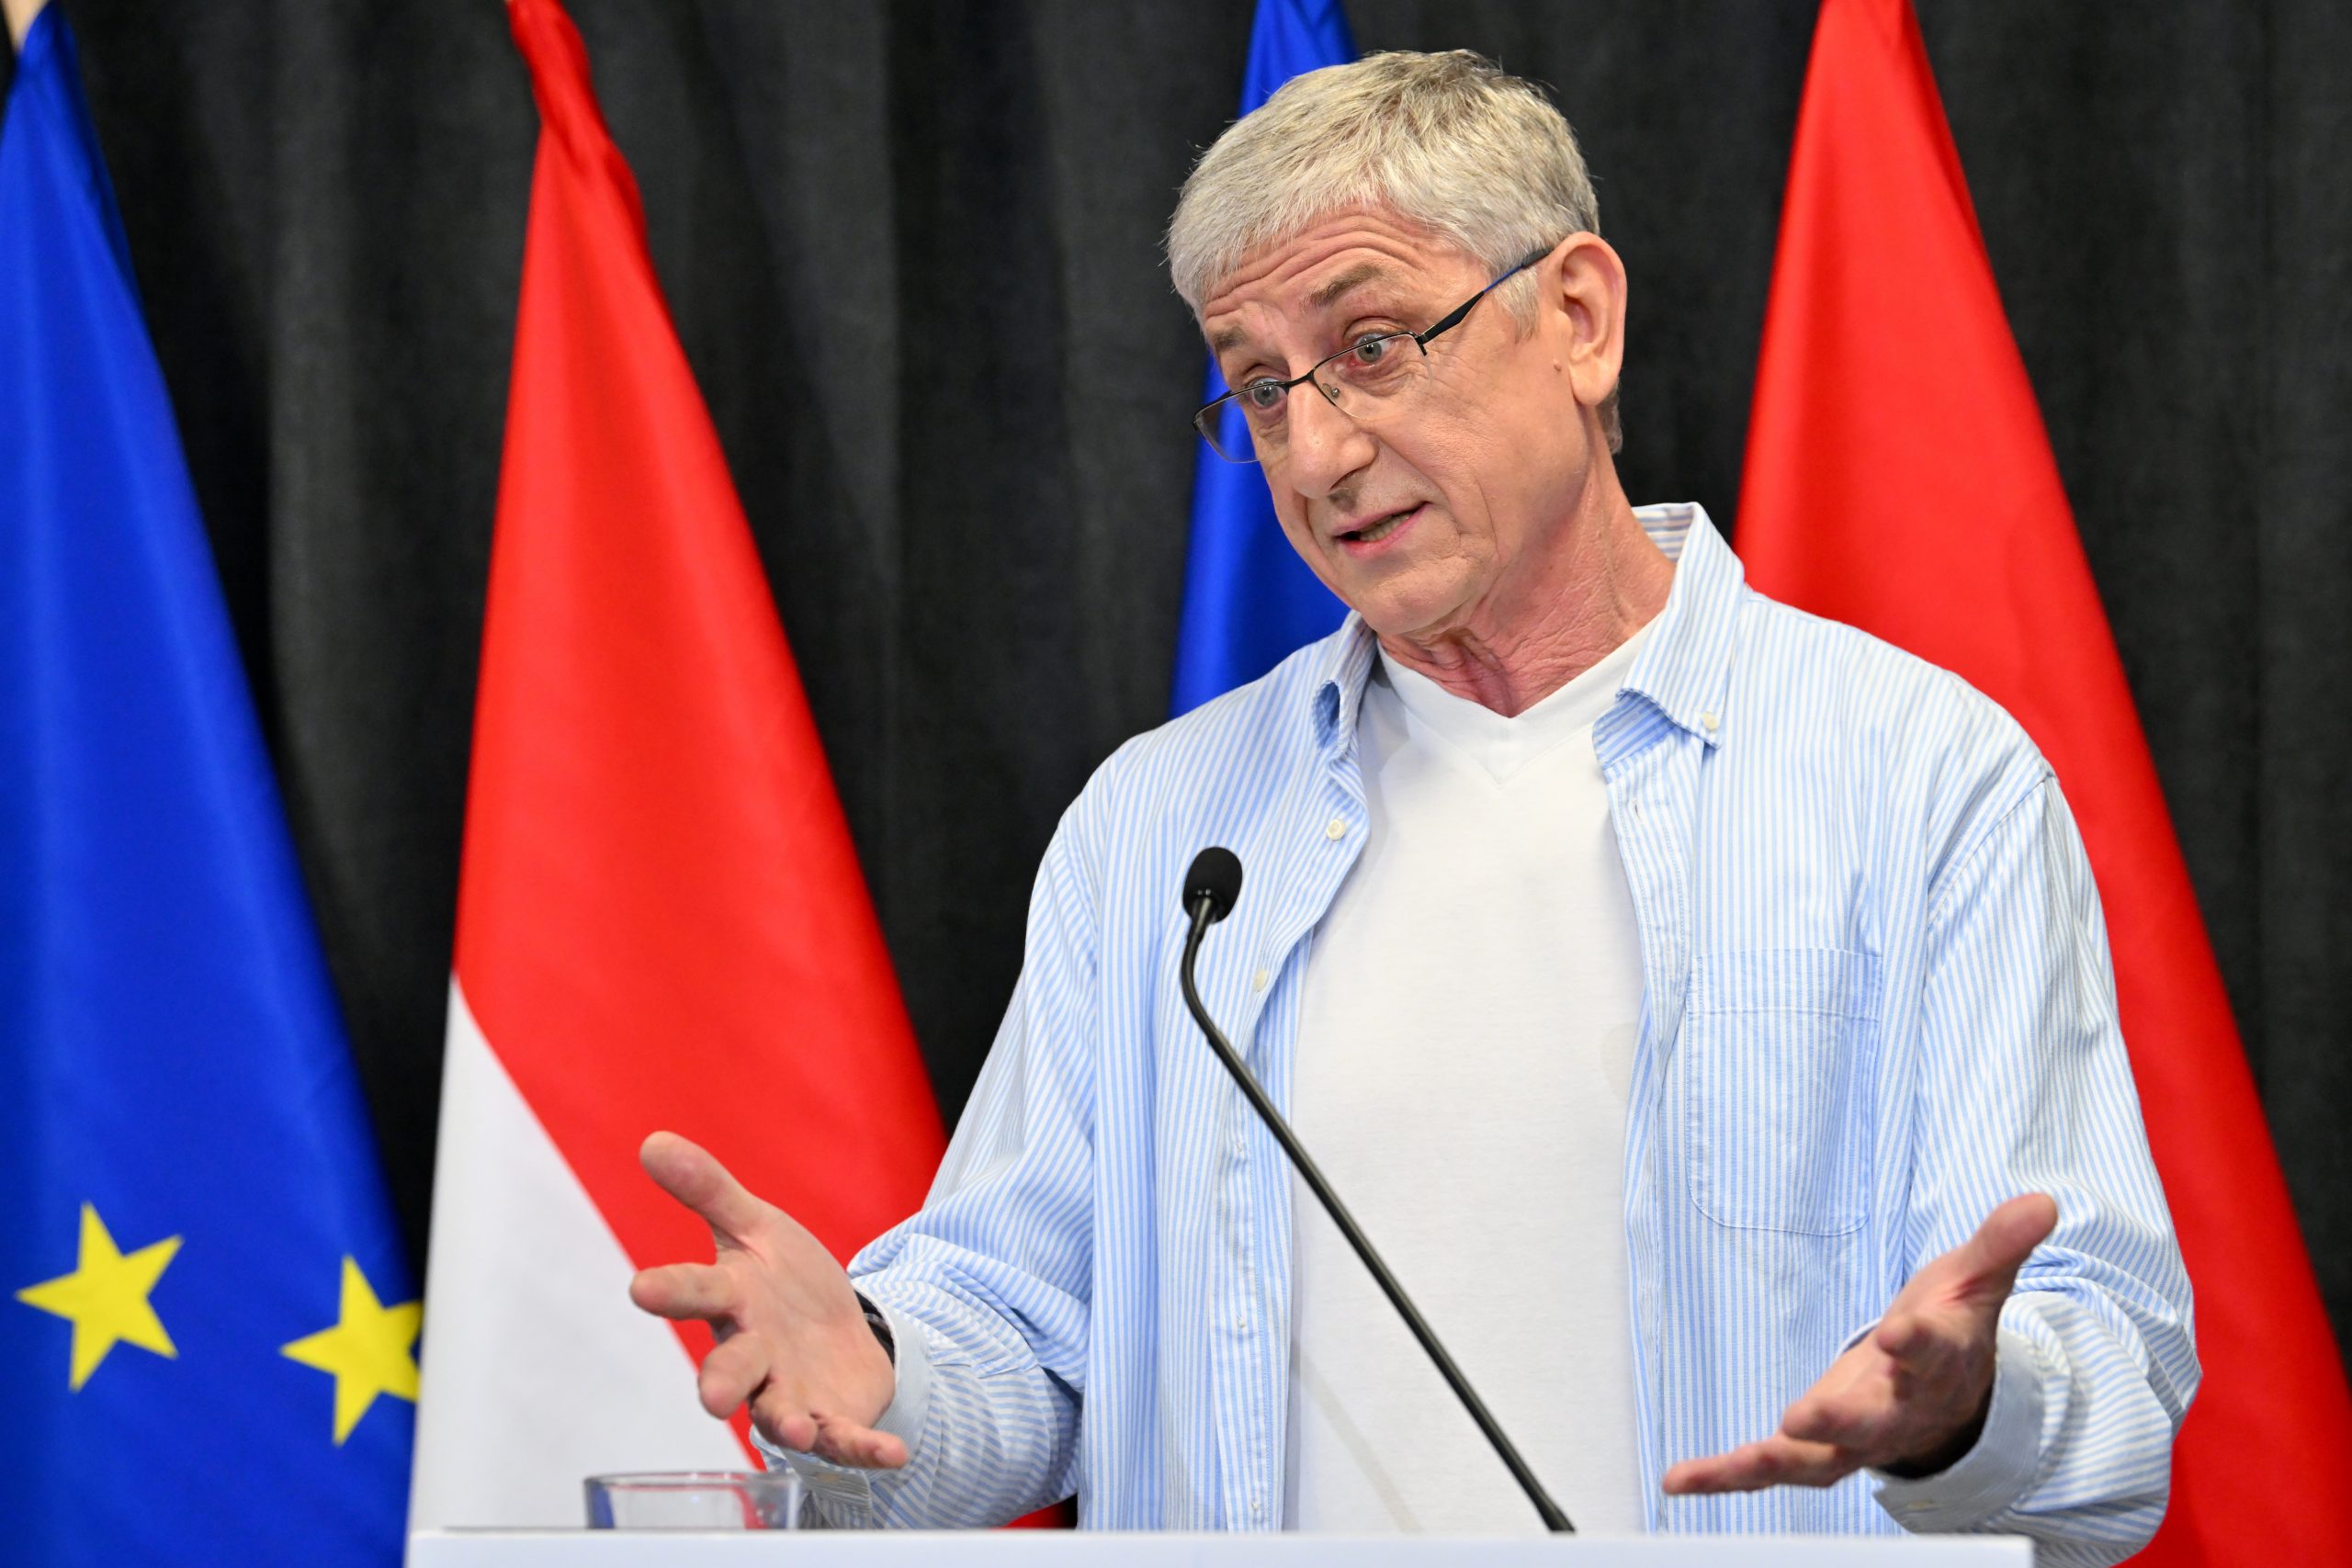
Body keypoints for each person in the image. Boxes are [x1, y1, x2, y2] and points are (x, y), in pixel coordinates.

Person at [627, 51, 2195, 1559]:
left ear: (1578, 318)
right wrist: (879, 1370)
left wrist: (1964, 1413)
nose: (1316, 452)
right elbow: (1028, 1344)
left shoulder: (1918, 778)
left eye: (1371, 346)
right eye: (1259, 389)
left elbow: (2107, 1390)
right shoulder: (1162, 831)